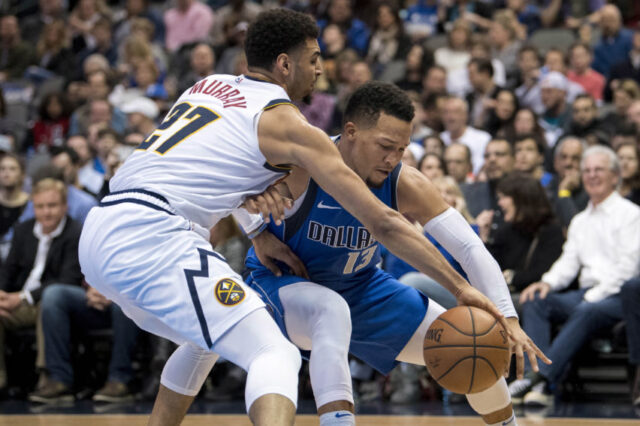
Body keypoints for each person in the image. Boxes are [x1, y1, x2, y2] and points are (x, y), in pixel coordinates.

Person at [77, 9, 511, 426]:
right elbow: (383, 223)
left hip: (106, 225)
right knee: (274, 354)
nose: (320, 70)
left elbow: (210, 162)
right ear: (285, 65)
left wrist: (257, 230)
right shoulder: (295, 131)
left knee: (207, 338)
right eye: (314, 59)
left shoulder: (208, 85)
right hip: (156, 234)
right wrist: (461, 289)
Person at [244, 81, 548, 426]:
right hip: (281, 284)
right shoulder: (302, 164)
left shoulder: (405, 182)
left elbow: (468, 246)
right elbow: (227, 173)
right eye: (385, 146)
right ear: (351, 131)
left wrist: (507, 317)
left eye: (402, 149)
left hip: (360, 287)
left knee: (472, 345)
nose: (393, 159)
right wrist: (254, 231)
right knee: (329, 310)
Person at [509, 145, 640, 406]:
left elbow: (630, 267)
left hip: (618, 296)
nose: (592, 176)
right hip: (586, 294)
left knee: (588, 310)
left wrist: (593, 296)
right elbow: (568, 262)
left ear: (615, 176)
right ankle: (541, 382)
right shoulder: (580, 220)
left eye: (599, 170)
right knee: (536, 300)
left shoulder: (632, 214)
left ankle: (540, 380)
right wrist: (546, 282)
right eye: (587, 171)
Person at [0, 178, 83, 396]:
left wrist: (24, 297)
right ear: (33, 206)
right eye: (40, 206)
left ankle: (49, 376)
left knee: (50, 303)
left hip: (51, 301)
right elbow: (8, 270)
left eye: (52, 206)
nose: (46, 213)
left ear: (65, 206)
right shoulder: (23, 230)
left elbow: (68, 279)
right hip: (17, 301)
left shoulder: (75, 232)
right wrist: (2, 294)